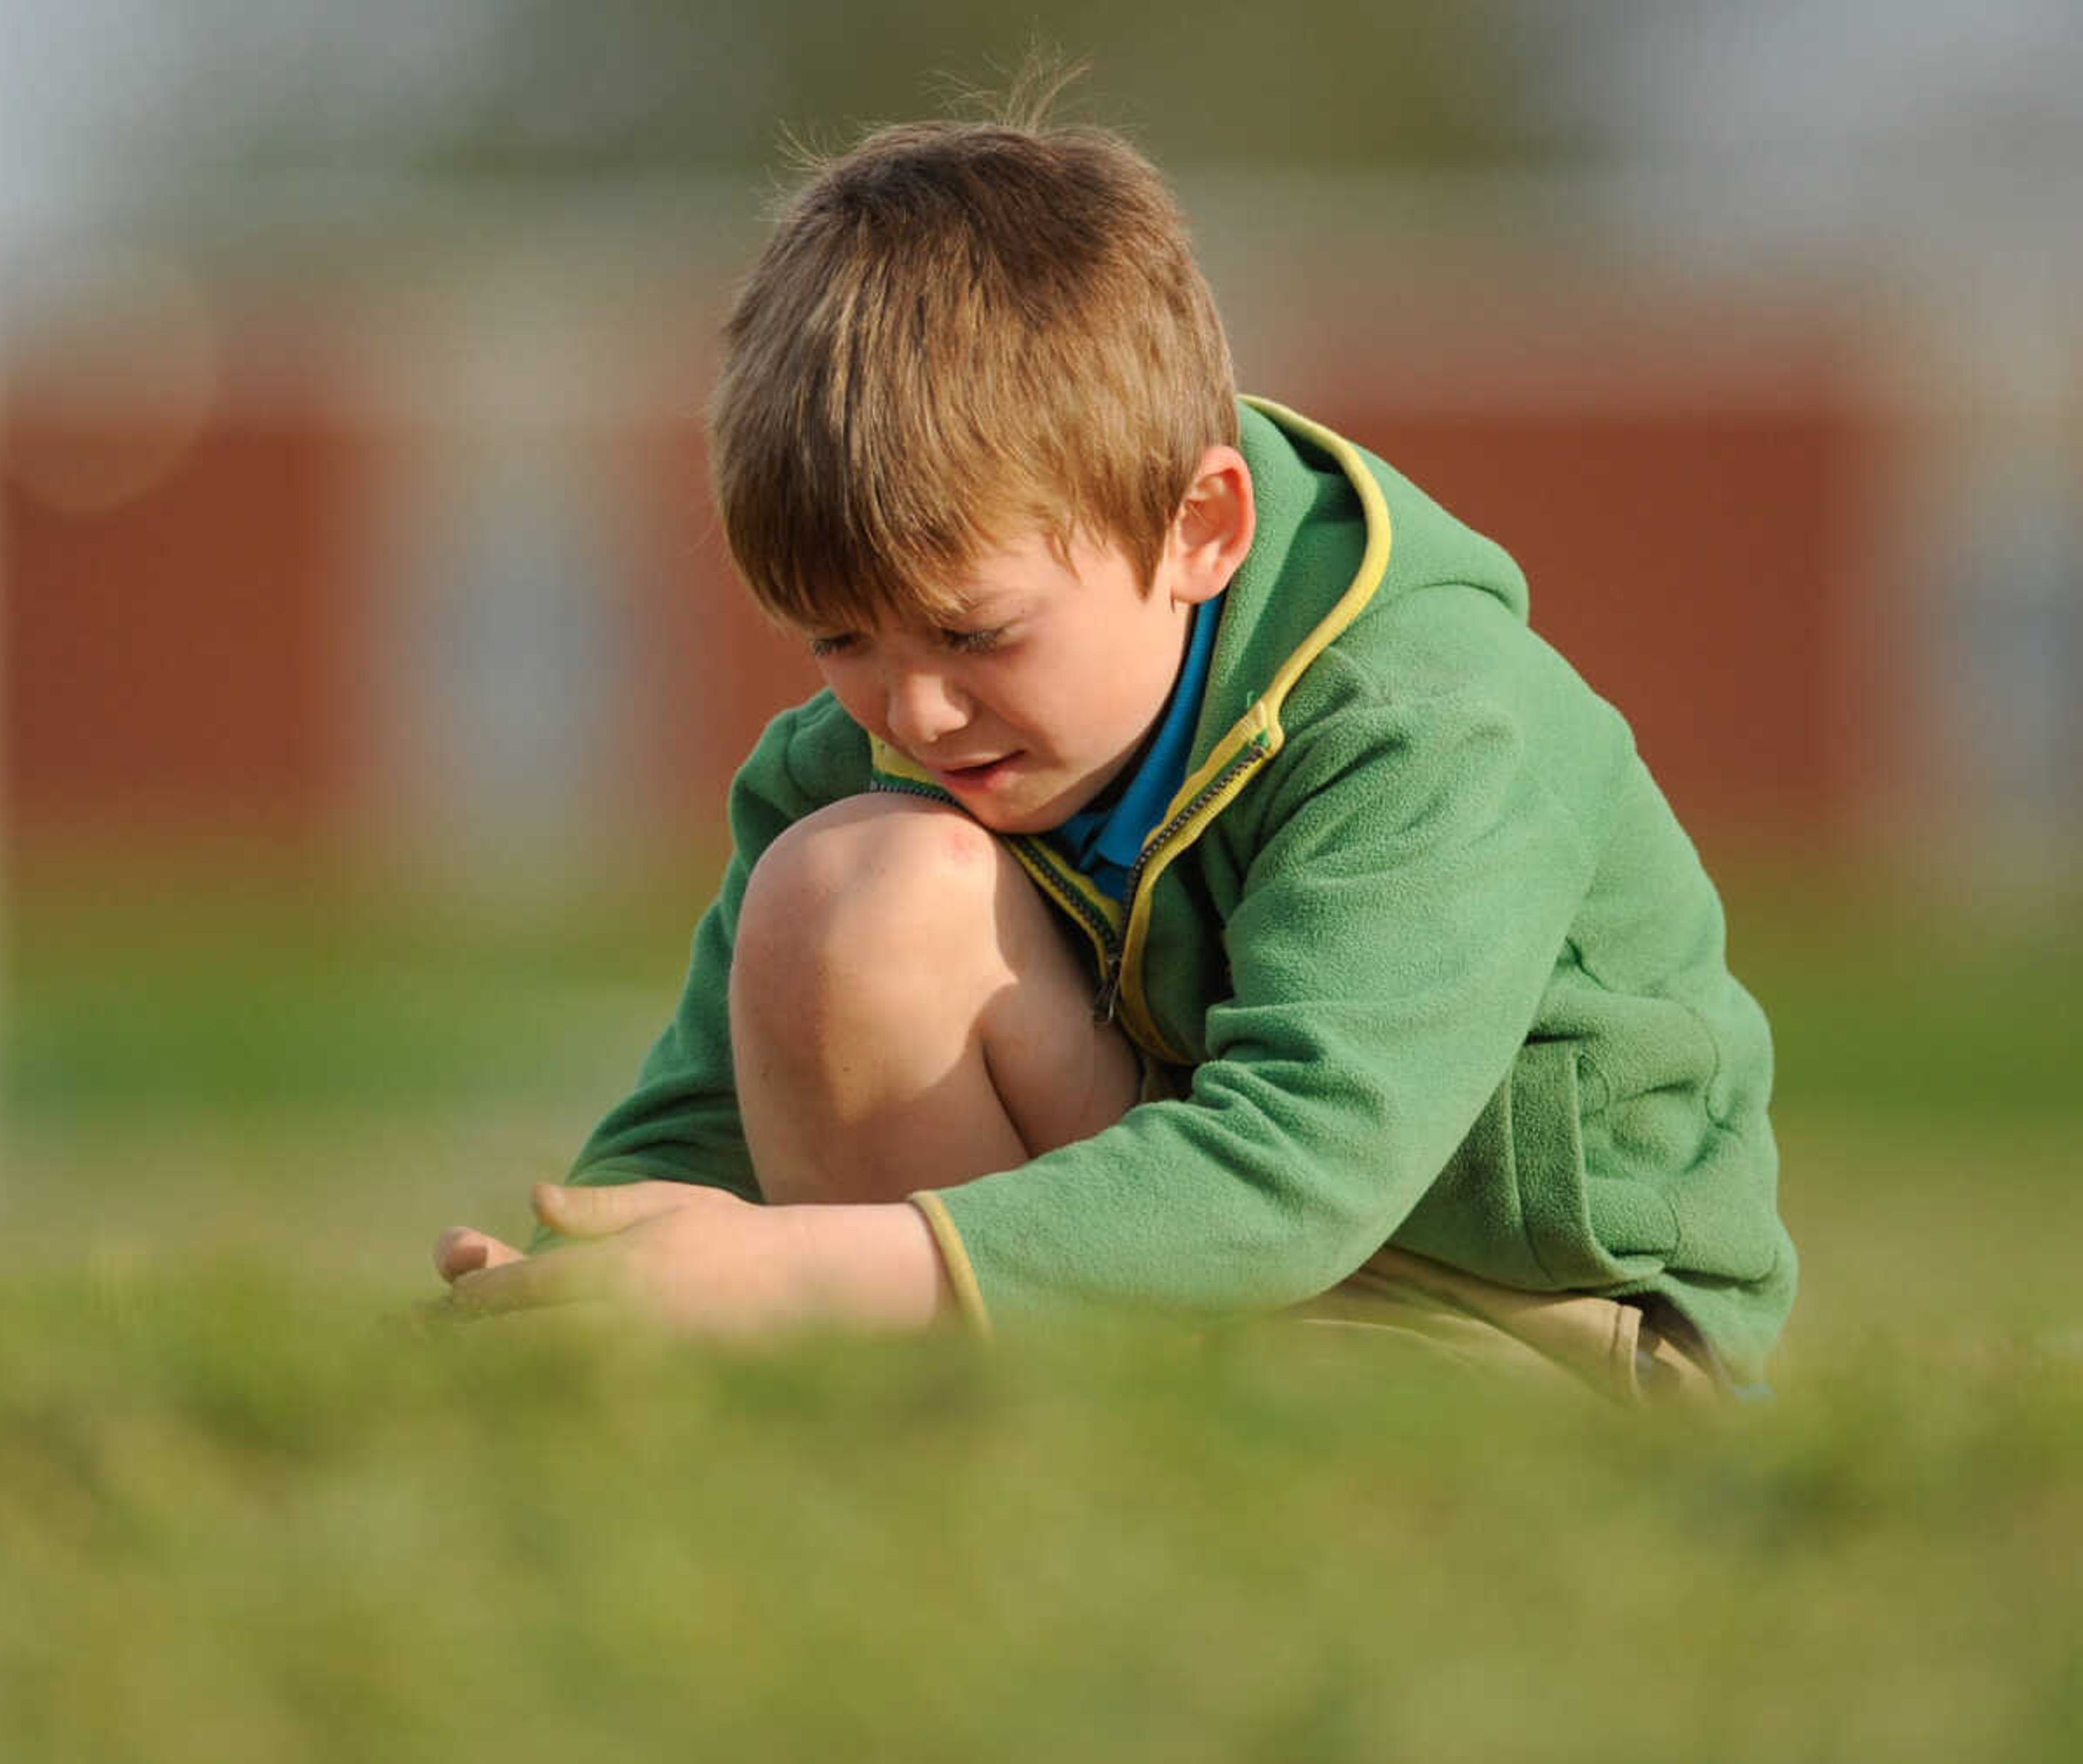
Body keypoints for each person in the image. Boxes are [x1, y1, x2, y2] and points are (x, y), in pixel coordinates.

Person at [428, 93, 1795, 1399]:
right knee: (847, 893)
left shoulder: (1429, 722)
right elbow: (703, 1122)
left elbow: (1298, 1171)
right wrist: (571, 1294)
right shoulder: (859, 756)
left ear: (1202, 529)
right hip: (1193, 1307)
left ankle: (998, 1458)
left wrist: (799, 1277)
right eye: (840, 642)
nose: (911, 714)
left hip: (1530, 1337)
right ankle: (974, 1478)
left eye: (974, 636)